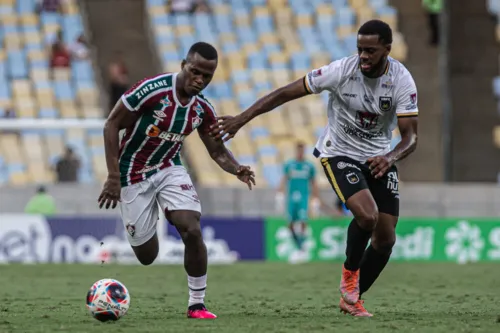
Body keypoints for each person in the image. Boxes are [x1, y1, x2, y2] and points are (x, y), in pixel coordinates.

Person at [210, 20, 418, 317]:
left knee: (385, 240)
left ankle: (352, 298)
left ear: (387, 49)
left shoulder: (401, 80)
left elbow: (411, 137)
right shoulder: (340, 71)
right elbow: (285, 93)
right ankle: (349, 276)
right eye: (360, 49)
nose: (364, 56)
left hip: (380, 158)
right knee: (367, 215)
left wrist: (391, 157)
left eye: (371, 51)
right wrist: (242, 119)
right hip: (339, 153)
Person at [98, 42, 255, 319]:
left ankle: (197, 304)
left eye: (207, 76)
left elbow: (217, 151)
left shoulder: (202, 109)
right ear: (184, 64)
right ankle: (150, 215)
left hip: (169, 168)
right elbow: (111, 124)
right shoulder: (151, 91)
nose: (200, 80)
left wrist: (236, 168)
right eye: (195, 72)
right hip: (131, 173)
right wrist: (113, 176)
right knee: (147, 256)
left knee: (192, 229)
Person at [276, 142, 320, 252]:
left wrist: (315, 197)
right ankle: (298, 244)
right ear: (296, 151)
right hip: (291, 198)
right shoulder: (289, 165)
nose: (300, 153)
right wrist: (280, 191)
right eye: (298, 150)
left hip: (304, 198)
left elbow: (313, 182)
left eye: (302, 150)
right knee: (290, 223)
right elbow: (284, 179)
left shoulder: (309, 166)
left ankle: (302, 247)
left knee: (303, 221)